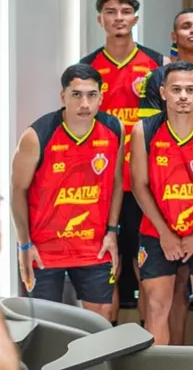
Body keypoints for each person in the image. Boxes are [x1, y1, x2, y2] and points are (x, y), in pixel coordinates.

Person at [129, 61, 193, 346]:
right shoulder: (144, 131)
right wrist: (165, 234)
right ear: (163, 93)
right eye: (176, 90)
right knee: (156, 306)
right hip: (157, 233)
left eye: (190, 89)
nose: (183, 96)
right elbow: (139, 185)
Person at [11, 64, 123, 320]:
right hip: (45, 248)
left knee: (101, 321)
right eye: (76, 94)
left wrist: (112, 231)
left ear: (100, 97)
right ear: (63, 97)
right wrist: (24, 244)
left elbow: (116, 182)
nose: (84, 103)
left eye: (91, 95)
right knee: (42, 327)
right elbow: (18, 190)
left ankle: (96, 363)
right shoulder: (37, 135)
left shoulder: (114, 128)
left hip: (93, 247)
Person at [81, 0, 164, 323]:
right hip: (104, 186)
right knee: (107, 267)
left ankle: (146, 346)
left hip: (147, 184)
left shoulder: (156, 63)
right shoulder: (87, 67)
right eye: (111, 12)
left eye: (125, 11)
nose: (119, 18)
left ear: (136, 18)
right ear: (100, 20)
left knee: (145, 268)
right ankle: (107, 355)